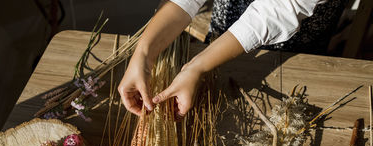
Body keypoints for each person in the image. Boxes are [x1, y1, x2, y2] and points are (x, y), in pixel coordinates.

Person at [118, 0, 344, 118]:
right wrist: (143, 53)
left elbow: (281, 8)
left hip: (289, 46)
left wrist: (196, 66)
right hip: (225, 28)